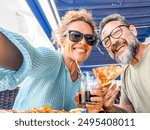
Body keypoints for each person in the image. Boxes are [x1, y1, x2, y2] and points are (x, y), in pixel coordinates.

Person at [0, 9, 103, 112]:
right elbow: (31, 57)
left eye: (90, 38)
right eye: (75, 35)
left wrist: (91, 111)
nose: (83, 42)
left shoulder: (84, 83)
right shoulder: (53, 59)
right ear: (62, 41)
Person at [98, 13, 150, 113]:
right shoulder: (125, 74)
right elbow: (128, 113)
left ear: (133, 30)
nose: (113, 42)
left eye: (117, 32)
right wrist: (110, 108)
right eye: (106, 42)